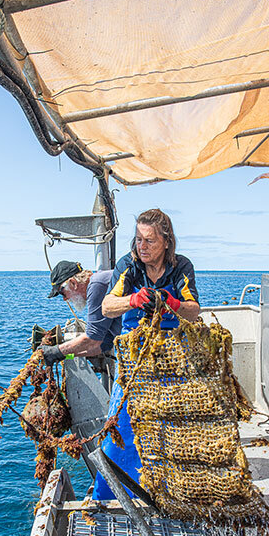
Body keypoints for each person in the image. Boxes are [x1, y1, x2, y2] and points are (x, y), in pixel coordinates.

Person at [95, 208, 200, 500]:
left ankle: (170, 494)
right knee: (122, 424)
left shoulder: (181, 267)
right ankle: (110, 495)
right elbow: (107, 306)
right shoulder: (128, 266)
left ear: (166, 241)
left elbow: (194, 311)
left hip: (172, 355)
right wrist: (134, 299)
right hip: (134, 360)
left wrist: (173, 303)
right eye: (139, 240)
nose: (142, 247)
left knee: (172, 426)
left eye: (150, 241)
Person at [40, 260, 122, 365]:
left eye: (62, 292)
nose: (65, 299)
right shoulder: (97, 285)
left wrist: (57, 351)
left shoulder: (97, 284)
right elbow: (102, 344)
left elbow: (93, 338)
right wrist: (63, 355)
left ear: (73, 283)